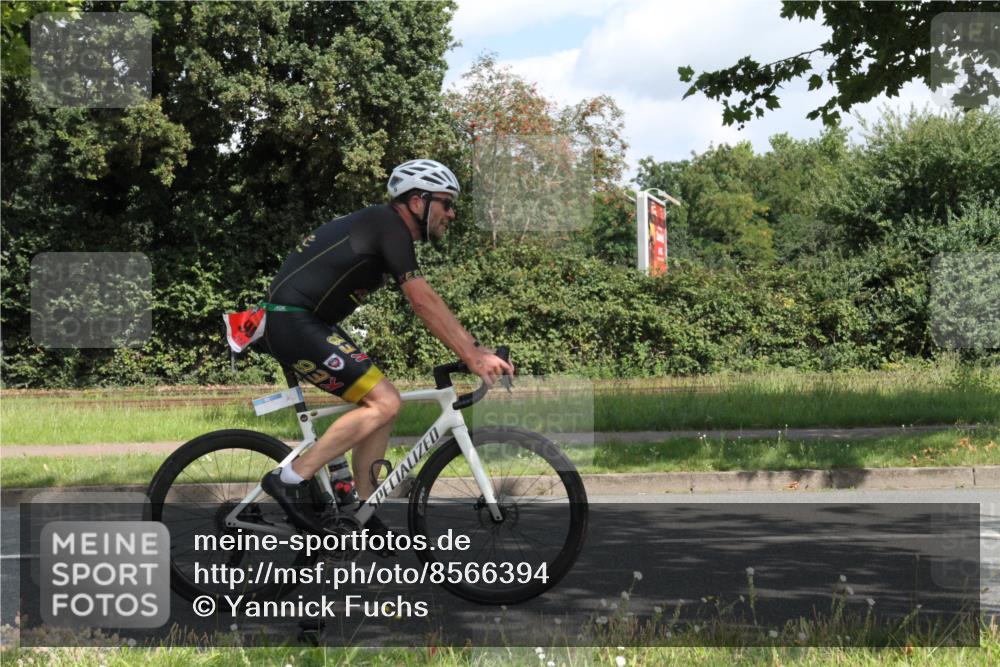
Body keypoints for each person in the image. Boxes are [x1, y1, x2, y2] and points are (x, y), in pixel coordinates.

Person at [258, 159, 514, 537]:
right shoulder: (387, 225)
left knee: (384, 405)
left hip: (309, 322)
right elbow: (423, 301)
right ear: (416, 202)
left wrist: (475, 347)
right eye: (446, 203)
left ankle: (360, 506)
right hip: (293, 321)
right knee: (385, 402)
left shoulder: (387, 229)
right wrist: (473, 355)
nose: (452, 214)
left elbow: (427, 302)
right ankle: (290, 479)